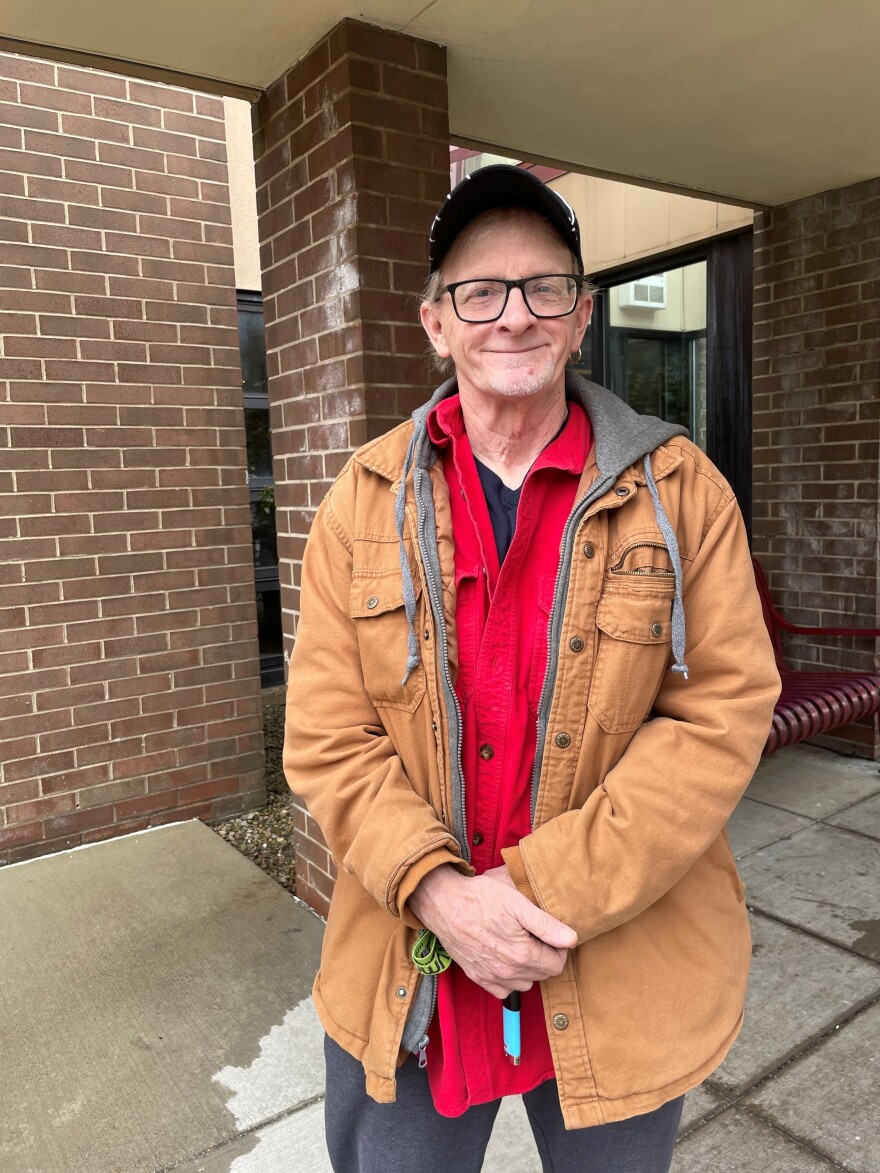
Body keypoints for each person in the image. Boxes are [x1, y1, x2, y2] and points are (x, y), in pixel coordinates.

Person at [284, 164, 780, 1173]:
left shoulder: (682, 492)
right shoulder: (361, 500)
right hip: (411, 965)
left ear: (581, 315)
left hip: (614, 961)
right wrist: (439, 892)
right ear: (436, 324)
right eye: (479, 291)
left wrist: (541, 892)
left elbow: (719, 716)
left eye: (543, 288)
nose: (512, 316)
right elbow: (327, 733)